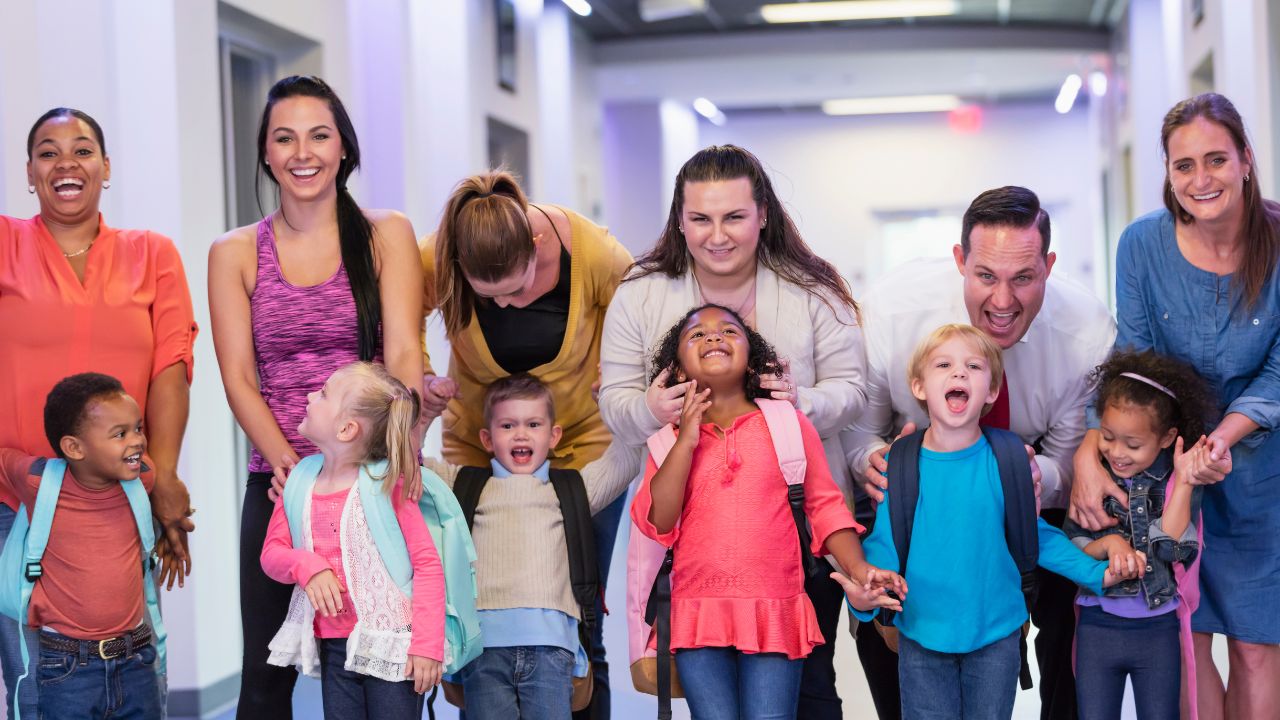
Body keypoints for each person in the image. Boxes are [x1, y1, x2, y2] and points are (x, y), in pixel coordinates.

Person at [599, 145, 866, 718]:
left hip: (793, 541)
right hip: (698, 556)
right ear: (679, 219)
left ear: (763, 213)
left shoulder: (814, 290)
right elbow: (614, 405)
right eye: (700, 219)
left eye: (734, 217)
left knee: (812, 692)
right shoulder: (640, 293)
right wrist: (651, 409)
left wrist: (797, 405)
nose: (716, 235)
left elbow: (854, 390)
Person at [843, 186, 1115, 719]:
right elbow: (858, 430)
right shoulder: (893, 314)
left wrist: (1027, 476)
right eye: (986, 275)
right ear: (960, 261)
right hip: (910, 488)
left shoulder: (1083, 334)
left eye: (1024, 278)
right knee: (888, 641)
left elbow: (1061, 467)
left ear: (1049, 266)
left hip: (1019, 487)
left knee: (1068, 621)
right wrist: (877, 464)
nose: (1003, 301)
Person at [208, 75, 425, 718]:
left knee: (379, 661)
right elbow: (238, 379)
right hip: (278, 486)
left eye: (319, 135)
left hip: (377, 484)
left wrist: (402, 455)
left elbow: (406, 354)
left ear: (344, 149)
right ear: (267, 154)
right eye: (285, 138)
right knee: (267, 674)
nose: (303, 152)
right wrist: (291, 471)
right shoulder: (236, 252)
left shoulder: (387, 234)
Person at [1069, 93, 1280, 720]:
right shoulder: (1141, 245)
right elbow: (1133, 364)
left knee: (1256, 652)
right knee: (1187, 642)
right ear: (1167, 171)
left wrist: (1226, 437)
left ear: (1245, 158)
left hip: (1261, 477)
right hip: (1164, 471)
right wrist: (1090, 444)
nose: (1201, 179)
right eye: (1183, 165)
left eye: (1216, 159)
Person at [0, 107, 197, 718]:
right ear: (30, 172)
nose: (66, 163)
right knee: (40, 689)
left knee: (131, 684)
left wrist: (160, 474)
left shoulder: (152, 254)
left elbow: (172, 367)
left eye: (83, 150)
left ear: (106, 168)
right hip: (15, 503)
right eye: (47, 151)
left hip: (122, 502)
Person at [420, 170, 633, 719]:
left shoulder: (590, 250)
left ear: (537, 245)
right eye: (488, 298)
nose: (508, 307)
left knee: (585, 624)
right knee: (477, 608)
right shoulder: (441, 255)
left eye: (516, 289)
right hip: (477, 451)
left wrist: (624, 365)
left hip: (583, 444)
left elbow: (643, 302)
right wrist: (419, 377)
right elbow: (394, 309)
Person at [633, 303, 900, 720]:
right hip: (697, 612)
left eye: (728, 331)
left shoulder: (788, 424)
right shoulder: (666, 441)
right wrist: (686, 438)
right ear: (678, 370)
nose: (713, 337)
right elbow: (659, 520)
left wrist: (859, 569)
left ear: (752, 360)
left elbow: (825, 509)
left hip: (775, 608)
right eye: (696, 335)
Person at [420, 374, 640, 719]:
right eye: (508, 425)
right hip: (483, 649)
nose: (521, 434)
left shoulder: (573, 490)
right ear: (487, 439)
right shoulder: (461, 484)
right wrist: (426, 415)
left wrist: (611, 409)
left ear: (553, 436)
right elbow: (406, 465)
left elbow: (626, 459)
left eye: (533, 424)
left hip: (552, 649)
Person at [261, 362, 443, 719]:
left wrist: (427, 646)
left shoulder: (389, 485)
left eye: (324, 393)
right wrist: (308, 567)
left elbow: (427, 565)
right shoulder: (298, 482)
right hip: (335, 645)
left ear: (346, 429)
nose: (312, 394)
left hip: (395, 644)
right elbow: (272, 554)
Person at [0, 373, 167, 719]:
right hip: (66, 668)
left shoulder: (142, 480)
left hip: (136, 658)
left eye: (137, 428)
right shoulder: (37, 480)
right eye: (120, 434)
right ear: (74, 448)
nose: (137, 441)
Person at [1062, 350, 1216, 720]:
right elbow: (1073, 542)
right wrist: (1110, 544)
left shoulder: (1179, 482)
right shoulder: (1094, 475)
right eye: (1109, 437)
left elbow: (1172, 549)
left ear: (1167, 438)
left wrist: (1183, 485)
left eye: (1132, 445)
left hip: (1157, 629)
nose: (1117, 453)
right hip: (1097, 628)